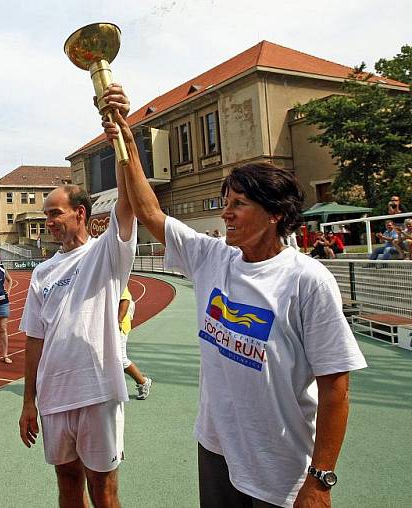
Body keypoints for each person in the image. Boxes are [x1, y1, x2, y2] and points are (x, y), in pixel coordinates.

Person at [101, 83, 367, 507]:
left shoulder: (306, 280)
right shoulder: (212, 257)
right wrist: (126, 136)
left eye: (239, 203)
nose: (225, 212)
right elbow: (150, 211)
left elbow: (336, 386)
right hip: (216, 448)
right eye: (226, 201)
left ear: (275, 213)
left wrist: (320, 480)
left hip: (278, 469)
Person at [18, 176, 136, 507]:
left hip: (97, 391)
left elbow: (126, 206)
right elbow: (34, 339)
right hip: (55, 396)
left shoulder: (106, 252)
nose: (49, 222)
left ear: (80, 213)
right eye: (46, 216)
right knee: (67, 481)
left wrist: (120, 142)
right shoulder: (42, 273)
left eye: (55, 213)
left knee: (104, 487)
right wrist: (29, 401)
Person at [119, 286, 152, 400]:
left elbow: (125, 300)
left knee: (121, 359)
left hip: (119, 326)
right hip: (109, 324)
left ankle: (143, 382)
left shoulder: (115, 279)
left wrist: (118, 321)